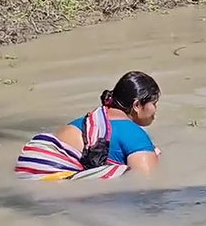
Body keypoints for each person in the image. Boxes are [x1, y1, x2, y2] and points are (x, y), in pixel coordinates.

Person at [14, 71, 161, 181]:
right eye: (154, 103)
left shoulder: (81, 123)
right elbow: (145, 184)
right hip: (55, 182)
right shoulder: (134, 134)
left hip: (29, 170)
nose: (156, 110)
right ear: (137, 105)